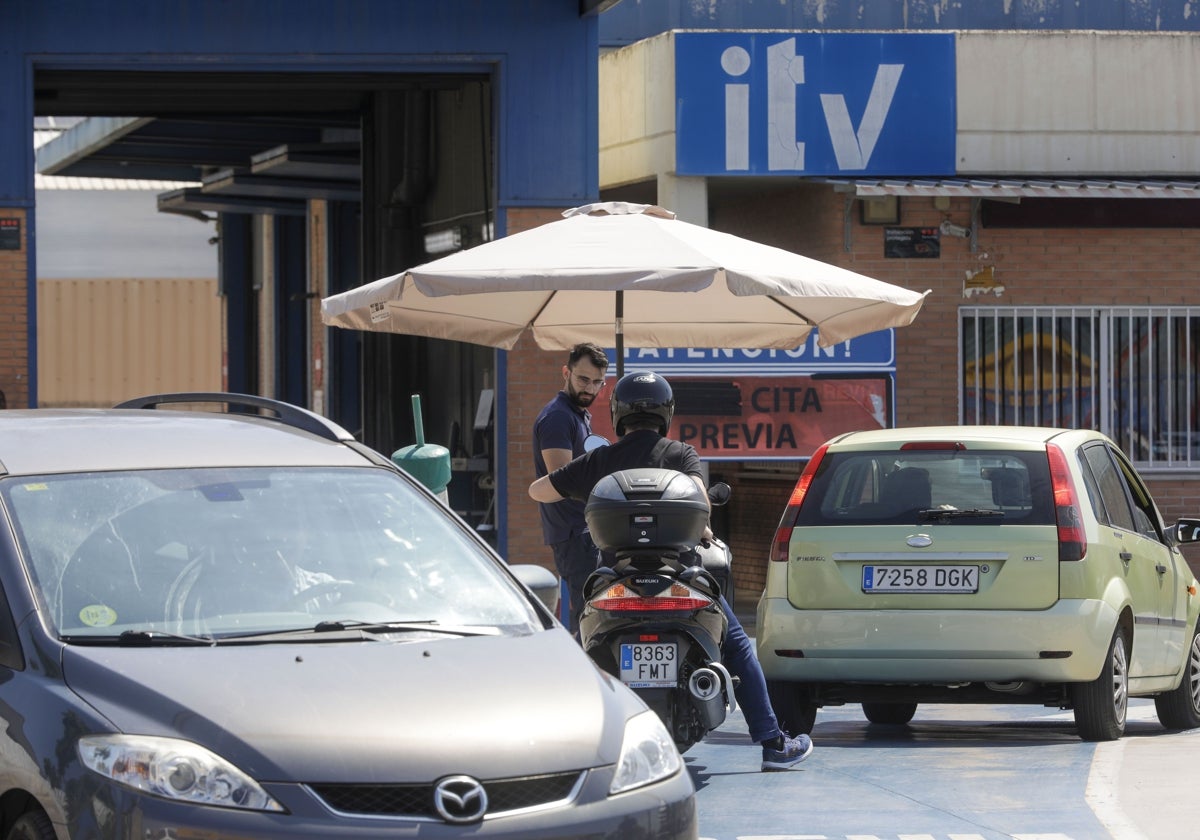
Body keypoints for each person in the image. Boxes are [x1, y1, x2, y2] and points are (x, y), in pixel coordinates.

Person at [529, 369, 814, 772]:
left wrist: (589, 500)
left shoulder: (600, 459)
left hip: (615, 579)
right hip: (680, 576)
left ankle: (565, 750)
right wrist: (703, 525)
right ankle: (772, 742)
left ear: (618, 413)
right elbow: (700, 498)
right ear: (666, 412)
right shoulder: (681, 454)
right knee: (737, 646)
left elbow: (537, 490)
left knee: (581, 648)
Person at [532, 342, 610, 637]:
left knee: (594, 613)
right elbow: (561, 480)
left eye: (597, 382)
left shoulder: (577, 415)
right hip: (574, 533)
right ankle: (586, 679)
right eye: (583, 379)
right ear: (566, 372)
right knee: (588, 619)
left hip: (584, 531)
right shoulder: (558, 418)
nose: (590, 388)